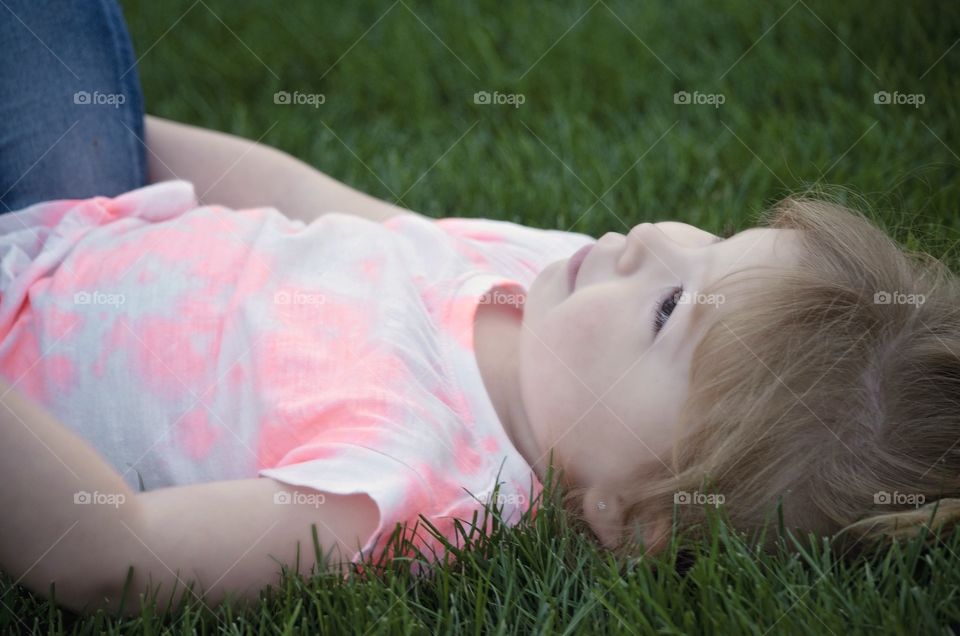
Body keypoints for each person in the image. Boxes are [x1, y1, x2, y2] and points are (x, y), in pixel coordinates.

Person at [3, 0, 959, 619]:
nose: (649, 234)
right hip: (67, 211)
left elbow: (106, 547)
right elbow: (300, 199)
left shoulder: (399, 483)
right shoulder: (541, 278)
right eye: (713, 239)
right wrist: (125, 130)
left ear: (628, 517)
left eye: (673, 307)